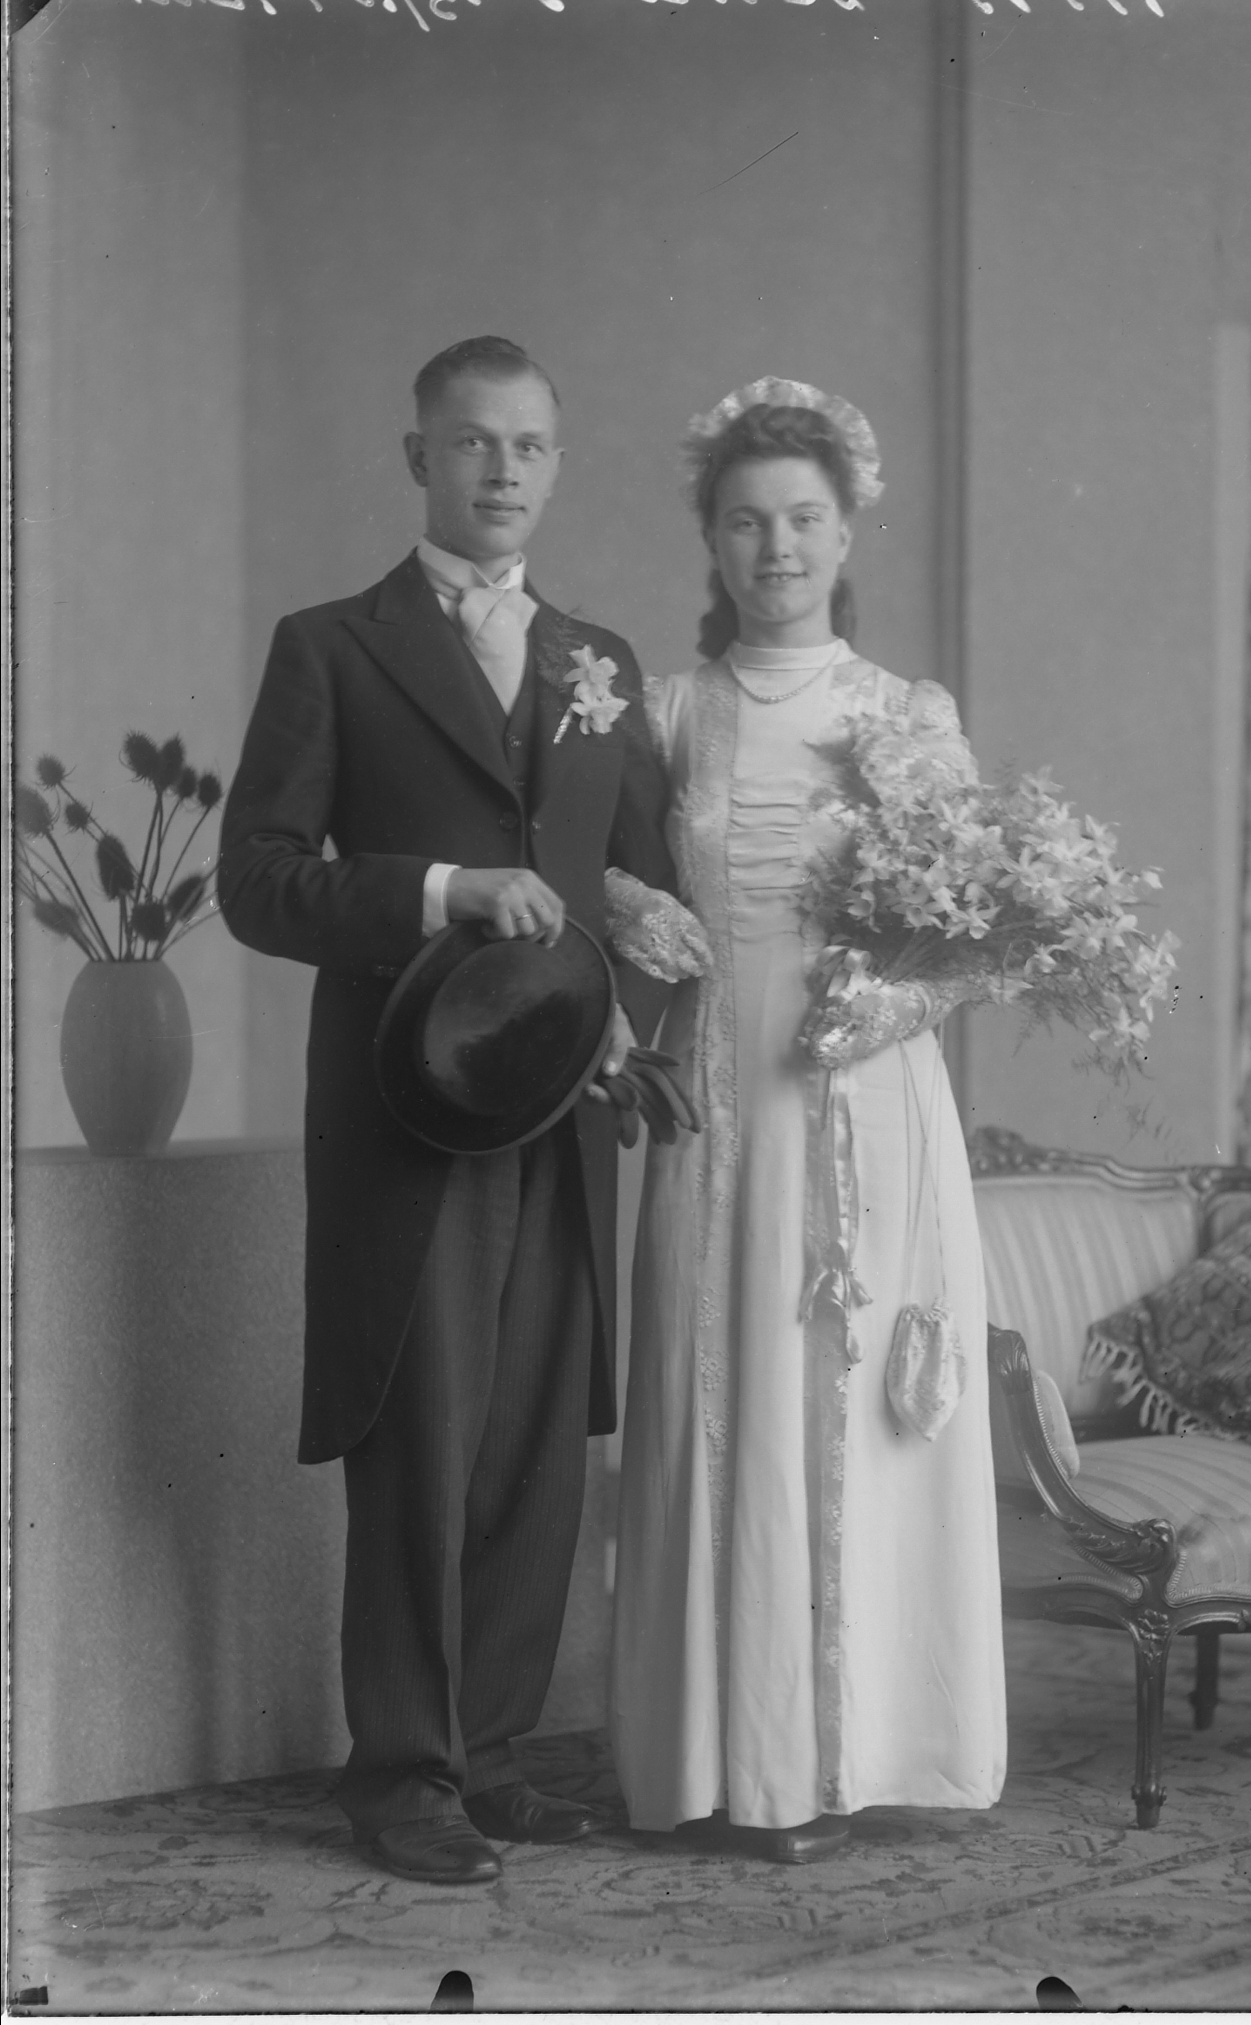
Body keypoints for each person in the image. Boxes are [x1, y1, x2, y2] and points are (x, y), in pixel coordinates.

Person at [220, 337, 679, 1885]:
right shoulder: (331, 648)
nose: (503, 470)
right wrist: (434, 891)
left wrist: (626, 995)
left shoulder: (598, 659)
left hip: (562, 1111)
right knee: (421, 1436)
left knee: (535, 1441)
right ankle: (402, 1773)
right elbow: (257, 882)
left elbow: (643, 877)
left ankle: (491, 1756)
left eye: (530, 445)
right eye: (474, 442)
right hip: (408, 1119)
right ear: (418, 457)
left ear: (558, 463)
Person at [609, 379, 1007, 1863]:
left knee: (848, 1396)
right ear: (711, 541)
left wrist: (886, 1009)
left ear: (845, 535)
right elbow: (585, 856)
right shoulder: (668, 714)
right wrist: (622, 901)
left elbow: (976, 932)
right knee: (717, 1384)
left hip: (864, 1097)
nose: (774, 549)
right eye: (745, 522)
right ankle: (730, 1763)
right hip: (718, 1092)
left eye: (801, 521)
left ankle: (866, 1753)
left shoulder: (906, 716)